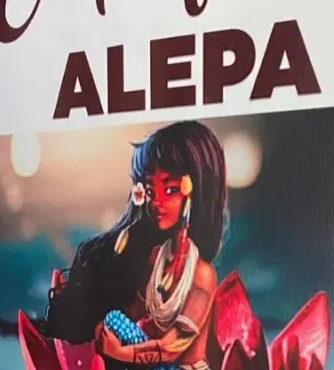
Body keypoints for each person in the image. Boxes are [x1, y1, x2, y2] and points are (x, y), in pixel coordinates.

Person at [40, 121, 228, 370]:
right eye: (150, 191)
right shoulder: (156, 257)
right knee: (113, 319)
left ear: (194, 191)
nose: (157, 202)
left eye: (170, 189)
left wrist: (121, 352)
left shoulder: (202, 274)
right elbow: (136, 316)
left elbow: (171, 348)